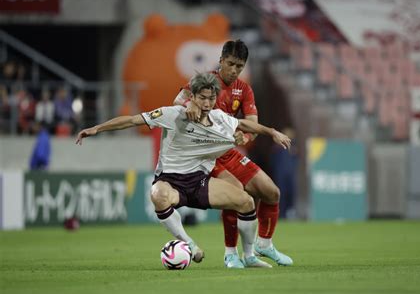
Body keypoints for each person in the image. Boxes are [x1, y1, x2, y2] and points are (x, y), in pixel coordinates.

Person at [75, 72, 291, 268]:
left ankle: (249, 256)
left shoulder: (220, 120)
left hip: (199, 182)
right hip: (171, 182)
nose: (207, 103)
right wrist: (97, 128)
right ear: (193, 97)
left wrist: (272, 132)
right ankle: (190, 244)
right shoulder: (173, 114)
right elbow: (132, 120)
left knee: (246, 202)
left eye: (211, 98)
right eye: (202, 98)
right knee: (157, 195)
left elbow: (246, 125)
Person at [174, 40, 293, 268]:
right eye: (230, 64)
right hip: (205, 155)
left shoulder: (244, 89)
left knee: (271, 192)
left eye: (239, 66)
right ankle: (231, 254)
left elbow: (251, 126)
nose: (234, 70)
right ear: (221, 60)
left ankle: (264, 244)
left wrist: (245, 138)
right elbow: (177, 101)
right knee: (235, 193)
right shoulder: (206, 81)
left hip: (228, 152)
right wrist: (187, 104)